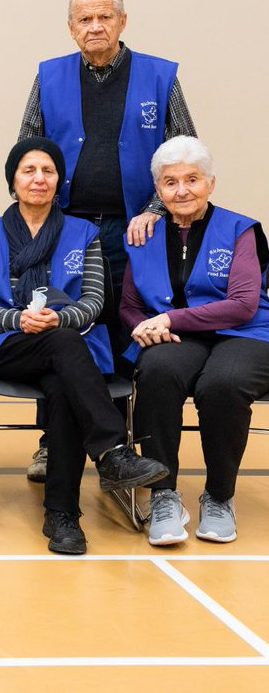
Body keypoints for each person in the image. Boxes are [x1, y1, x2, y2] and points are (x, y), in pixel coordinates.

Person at [18, 0, 197, 482]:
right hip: (65, 228)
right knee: (59, 325)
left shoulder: (160, 77)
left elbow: (183, 153)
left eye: (104, 18)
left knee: (123, 327)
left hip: (135, 228)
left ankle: (124, 443)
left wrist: (154, 208)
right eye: (84, 20)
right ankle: (53, 441)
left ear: (122, 22)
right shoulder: (49, 76)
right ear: (71, 28)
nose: (94, 27)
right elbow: (29, 149)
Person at [0, 137, 168, 555]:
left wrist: (58, 317)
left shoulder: (85, 233)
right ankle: (111, 450)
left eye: (48, 171)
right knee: (63, 346)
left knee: (61, 385)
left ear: (59, 181)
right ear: (12, 181)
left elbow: (94, 301)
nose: (39, 179)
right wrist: (19, 319)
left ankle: (62, 516)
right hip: (4, 346)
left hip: (63, 347)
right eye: (28, 171)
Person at [122, 137, 269, 546]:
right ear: (159, 190)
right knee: (156, 370)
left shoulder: (241, 229)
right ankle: (164, 493)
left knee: (222, 383)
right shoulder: (143, 234)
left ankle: (219, 496)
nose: (182, 190)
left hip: (246, 333)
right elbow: (130, 305)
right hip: (178, 337)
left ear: (211, 183)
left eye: (192, 179)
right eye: (170, 182)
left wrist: (169, 317)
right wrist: (141, 327)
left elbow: (241, 305)